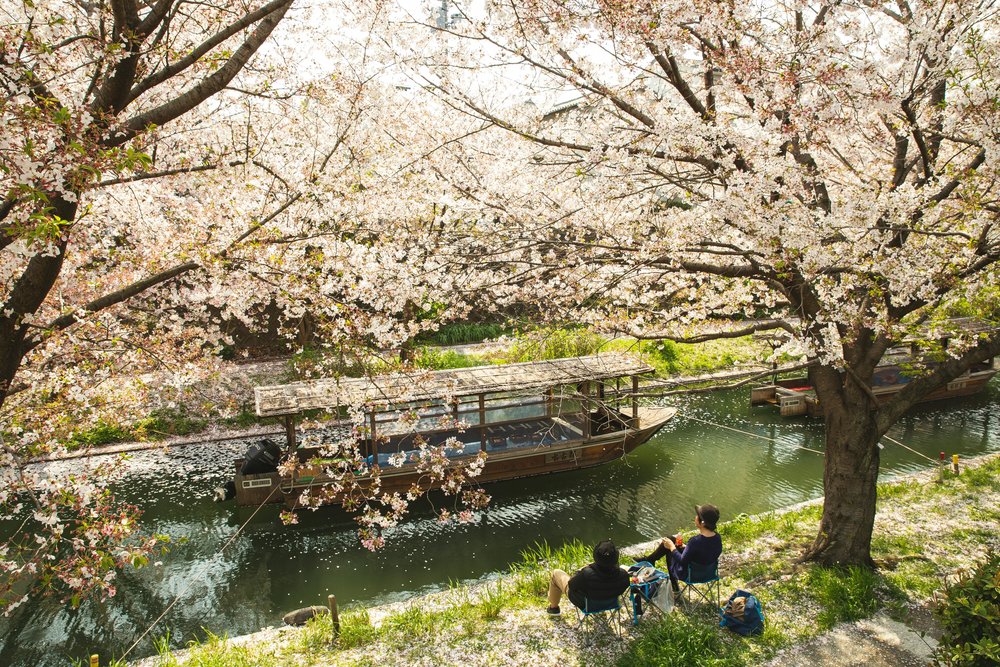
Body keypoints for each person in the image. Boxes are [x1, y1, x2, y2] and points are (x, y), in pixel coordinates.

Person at [634, 503, 722, 591]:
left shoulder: (695, 541)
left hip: (690, 575)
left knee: (670, 549)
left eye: (697, 515)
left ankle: (674, 585)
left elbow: (682, 561)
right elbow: (705, 551)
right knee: (671, 539)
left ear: (702, 523)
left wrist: (672, 547)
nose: (695, 517)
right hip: (708, 573)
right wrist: (685, 547)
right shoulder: (717, 538)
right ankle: (650, 559)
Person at [546, 539, 630, 615]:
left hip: (586, 604)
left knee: (556, 573)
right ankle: (602, 610)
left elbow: (571, 585)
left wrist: (579, 572)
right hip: (610, 604)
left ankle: (554, 608)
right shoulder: (623, 575)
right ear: (615, 558)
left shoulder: (586, 575)